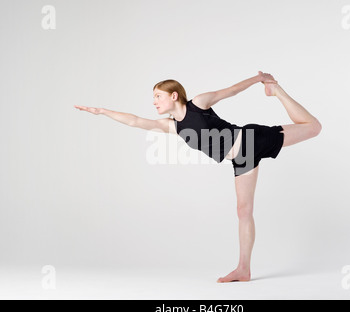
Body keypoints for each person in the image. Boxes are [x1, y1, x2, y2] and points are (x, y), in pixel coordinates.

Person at [74, 71, 322, 283]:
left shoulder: (199, 103)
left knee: (313, 127)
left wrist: (260, 79)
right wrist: (103, 111)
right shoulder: (173, 126)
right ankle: (243, 269)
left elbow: (232, 91)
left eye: (157, 96)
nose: (154, 102)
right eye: (153, 98)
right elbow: (137, 121)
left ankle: (276, 91)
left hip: (249, 139)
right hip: (241, 159)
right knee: (243, 211)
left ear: (174, 95)